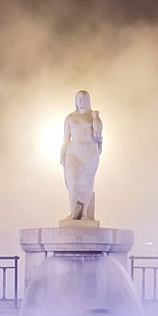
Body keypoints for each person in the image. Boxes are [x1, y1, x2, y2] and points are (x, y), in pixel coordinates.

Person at [60, 90, 103, 221]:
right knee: (73, 182)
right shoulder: (70, 118)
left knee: (87, 184)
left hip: (89, 153)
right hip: (73, 154)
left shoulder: (93, 117)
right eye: (78, 99)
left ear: (88, 100)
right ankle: (73, 212)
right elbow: (66, 138)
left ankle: (83, 213)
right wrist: (62, 154)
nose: (80, 101)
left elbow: (99, 135)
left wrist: (96, 118)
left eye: (83, 99)